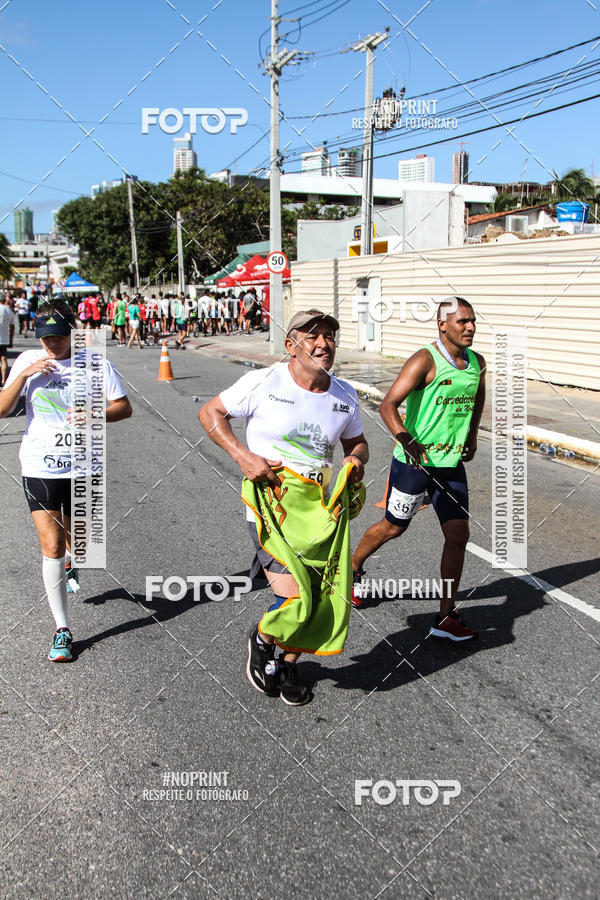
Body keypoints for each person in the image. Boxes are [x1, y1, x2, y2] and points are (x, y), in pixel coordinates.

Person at [199, 309, 369, 705]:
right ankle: (262, 637)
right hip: (271, 506)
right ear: (291, 345)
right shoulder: (263, 381)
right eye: (312, 336)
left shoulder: (343, 395)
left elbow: (357, 443)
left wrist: (356, 461)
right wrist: (243, 457)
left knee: (322, 594)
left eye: (329, 335)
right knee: (295, 596)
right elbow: (210, 414)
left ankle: (289, 662)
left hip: (321, 511)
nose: (323, 343)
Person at [0, 300, 132, 661]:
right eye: (45, 338)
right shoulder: (29, 361)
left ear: (73, 331)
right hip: (39, 464)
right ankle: (62, 629)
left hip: (83, 465)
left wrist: (93, 413)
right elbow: (2, 408)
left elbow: (124, 407)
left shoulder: (95, 363)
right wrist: (26, 376)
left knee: (82, 541)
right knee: (51, 544)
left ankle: (75, 560)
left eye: (58, 337)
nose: (51, 345)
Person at [351, 297, 486, 641]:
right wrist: (405, 438)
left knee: (458, 535)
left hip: (450, 465)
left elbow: (477, 394)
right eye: (462, 322)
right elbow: (388, 405)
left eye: (473, 321)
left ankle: (445, 616)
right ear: (442, 325)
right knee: (393, 528)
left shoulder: (476, 363)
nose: (470, 327)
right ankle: (351, 568)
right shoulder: (425, 360)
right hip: (414, 464)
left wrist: (470, 433)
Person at [0, 293, 17, 387]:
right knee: (3, 358)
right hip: (4, 338)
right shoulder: (8, 310)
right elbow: (12, 326)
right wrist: (11, 339)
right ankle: (3, 379)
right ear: (4, 300)